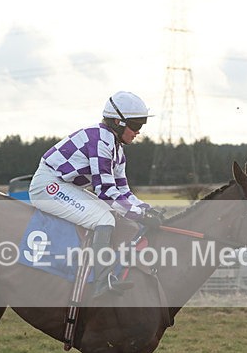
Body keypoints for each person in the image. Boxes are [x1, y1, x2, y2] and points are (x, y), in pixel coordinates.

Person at [28, 91, 162, 297]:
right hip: (48, 186)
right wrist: (139, 215)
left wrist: (147, 210)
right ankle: (101, 281)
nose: (138, 132)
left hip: (65, 185)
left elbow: (123, 192)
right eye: (135, 126)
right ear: (118, 122)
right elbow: (106, 192)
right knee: (104, 217)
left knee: (113, 214)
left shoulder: (117, 150)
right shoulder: (101, 141)